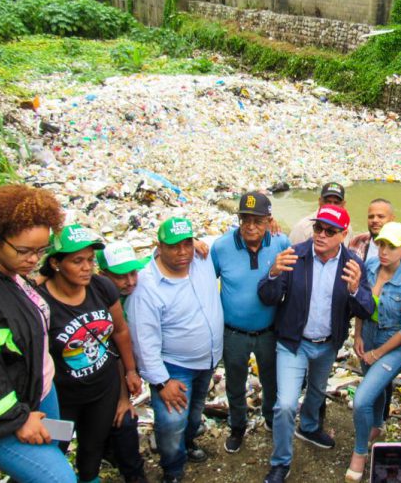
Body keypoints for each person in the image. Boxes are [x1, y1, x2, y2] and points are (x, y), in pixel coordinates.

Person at [258, 204, 374, 483]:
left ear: (344, 234)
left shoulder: (353, 265)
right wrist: (273, 273)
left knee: (317, 391)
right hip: (293, 343)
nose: (321, 234)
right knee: (285, 405)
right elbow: (267, 296)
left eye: (330, 231)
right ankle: (281, 462)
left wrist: (356, 290)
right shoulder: (294, 256)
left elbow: (367, 309)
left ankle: (309, 426)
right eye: (318, 228)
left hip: (327, 344)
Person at [0, 185, 76, 483]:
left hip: (40, 390)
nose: (33, 260)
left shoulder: (13, 276)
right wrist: (17, 419)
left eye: (41, 251)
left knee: (50, 454)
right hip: (2, 413)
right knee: (58, 478)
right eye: (24, 251)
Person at [36, 224, 142, 483]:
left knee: (92, 448)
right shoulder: (39, 301)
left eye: (90, 260)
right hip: (63, 398)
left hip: (102, 391)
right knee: (54, 448)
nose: (86, 267)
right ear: (56, 263)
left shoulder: (102, 287)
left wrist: (129, 370)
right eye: (77, 261)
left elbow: (120, 331)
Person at [127, 217, 224, 483]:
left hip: (209, 359)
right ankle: (172, 469)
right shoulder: (146, 285)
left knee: (194, 413)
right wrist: (161, 382)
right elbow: (143, 341)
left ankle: (189, 443)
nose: (182, 253)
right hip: (174, 367)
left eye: (186, 244)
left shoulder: (202, 259)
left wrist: (270, 221)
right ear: (159, 247)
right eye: (174, 247)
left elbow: (238, 233)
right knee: (171, 423)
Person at [210, 192, 290, 453]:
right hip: (234, 332)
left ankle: (269, 418)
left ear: (269, 220)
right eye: (245, 220)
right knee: (235, 382)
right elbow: (205, 279)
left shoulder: (280, 242)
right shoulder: (221, 247)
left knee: (271, 380)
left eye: (257, 221)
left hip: (269, 330)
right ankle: (237, 426)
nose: (251, 227)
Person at [347, 222, 401, 482]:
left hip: (393, 344)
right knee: (377, 388)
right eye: (381, 244)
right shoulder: (369, 268)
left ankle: (359, 453)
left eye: (391, 247)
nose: (383, 251)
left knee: (361, 399)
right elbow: (362, 302)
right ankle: (377, 426)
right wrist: (358, 334)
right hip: (368, 336)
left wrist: (378, 352)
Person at [95, 241, 150, 483]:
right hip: (106, 368)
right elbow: (112, 349)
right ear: (102, 275)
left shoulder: (139, 280)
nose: (130, 281)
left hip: (129, 363)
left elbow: (159, 256)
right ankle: (128, 467)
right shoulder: (97, 301)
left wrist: (198, 244)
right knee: (122, 418)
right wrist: (123, 397)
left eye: (133, 273)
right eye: (121, 277)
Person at [349, 198, 401, 273]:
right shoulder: (356, 241)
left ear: (392, 219)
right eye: (371, 217)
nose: (375, 220)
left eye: (381, 216)